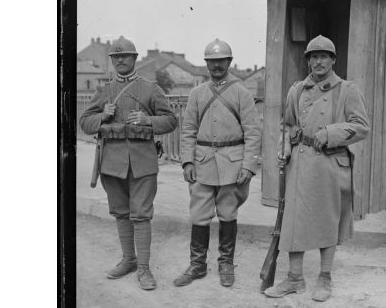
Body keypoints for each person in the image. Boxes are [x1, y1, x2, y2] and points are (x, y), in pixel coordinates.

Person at [264, 35, 370, 302]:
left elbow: (362, 127)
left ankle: (325, 277)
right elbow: (287, 124)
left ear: (334, 60)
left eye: (324, 56)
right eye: (313, 56)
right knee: (293, 220)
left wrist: (331, 132)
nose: (318, 61)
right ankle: (294, 278)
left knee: (327, 219)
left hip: (330, 163)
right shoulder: (296, 90)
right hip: (299, 162)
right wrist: (284, 146)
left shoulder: (347, 90)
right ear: (308, 61)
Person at [79, 36, 177, 290]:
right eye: (116, 57)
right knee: (121, 213)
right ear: (112, 62)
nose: (120, 60)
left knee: (141, 215)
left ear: (134, 59)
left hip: (143, 162)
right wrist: (103, 115)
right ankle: (128, 259)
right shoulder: (104, 90)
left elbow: (170, 121)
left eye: (125, 56)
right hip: (111, 163)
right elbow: (84, 123)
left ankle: (144, 269)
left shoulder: (150, 88)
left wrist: (147, 120)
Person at [174, 38, 262, 288]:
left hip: (232, 164)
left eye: (221, 61)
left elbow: (253, 132)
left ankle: (225, 263)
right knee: (199, 215)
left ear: (229, 62)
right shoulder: (197, 93)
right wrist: (187, 162)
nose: (216, 66)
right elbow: (188, 129)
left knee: (227, 213)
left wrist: (248, 165)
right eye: (211, 62)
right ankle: (197, 265)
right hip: (202, 163)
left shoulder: (242, 93)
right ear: (206, 64)